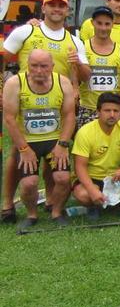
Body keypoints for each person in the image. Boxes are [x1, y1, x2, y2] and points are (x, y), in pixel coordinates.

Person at [1, 0, 89, 223]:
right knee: (17, 153)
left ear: (67, 10)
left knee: (55, 152)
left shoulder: (74, 40)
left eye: (62, 6)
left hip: (59, 97)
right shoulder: (27, 31)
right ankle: (8, 204)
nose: (57, 9)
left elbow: (86, 75)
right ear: (44, 9)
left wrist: (76, 64)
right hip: (24, 96)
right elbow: (4, 56)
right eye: (52, 5)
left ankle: (52, 202)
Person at [2, 50, 76, 227]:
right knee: (29, 183)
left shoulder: (62, 82)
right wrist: (24, 149)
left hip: (54, 140)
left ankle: (57, 212)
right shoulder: (14, 83)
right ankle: (32, 215)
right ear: (27, 65)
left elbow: (69, 116)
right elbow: (9, 119)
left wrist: (63, 144)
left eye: (44, 66)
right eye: (34, 66)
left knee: (63, 179)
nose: (39, 70)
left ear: (52, 67)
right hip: (28, 142)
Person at [71, 92, 120, 220]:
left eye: (116, 111)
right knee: (84, 195)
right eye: (107, 110)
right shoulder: (85, 132)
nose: (112, 114)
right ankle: (92, 206)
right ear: (98, 112)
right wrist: (91, 189)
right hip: (93, 177)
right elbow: (80, 167)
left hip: (116, 176)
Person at [78, 7, 120, 125]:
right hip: (88, 109)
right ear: (92, 23)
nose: (103, 28)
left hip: (113, 111)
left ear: (112, 24)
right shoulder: (82, 48)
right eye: (99, 23)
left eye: (107, 24)